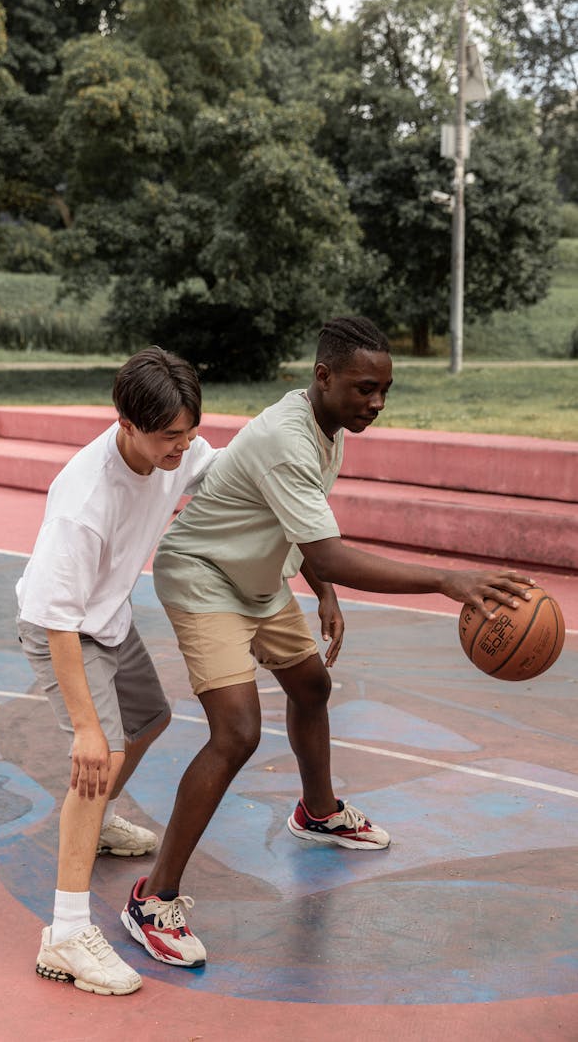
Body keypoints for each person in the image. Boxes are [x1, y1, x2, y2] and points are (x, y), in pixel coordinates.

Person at [119, 316, 535, 968]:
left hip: (256, 572)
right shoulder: (289, 437)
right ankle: (153, 897)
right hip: (204, 572)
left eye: (385, 390)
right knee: (236, 732)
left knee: (311, 683)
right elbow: (330, 549)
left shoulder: (327, 426)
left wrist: (324, 590)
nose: (376, 402)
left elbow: (301, 523)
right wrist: (446, 577)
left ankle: (317, 811)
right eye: (365, 387)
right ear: (324, 376)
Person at [15, 347, 217, 995]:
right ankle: (66, 933)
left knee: (151, 717)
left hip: (107, 616)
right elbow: (55, 620)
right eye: (169, 438)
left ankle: (93, 823)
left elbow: (221, 467)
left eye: (189, 433)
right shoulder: (84, 498)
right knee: (99, 754)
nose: (182, 449)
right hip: (65, 631)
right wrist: (84, 728)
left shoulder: (174, 445)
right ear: (126, 424)